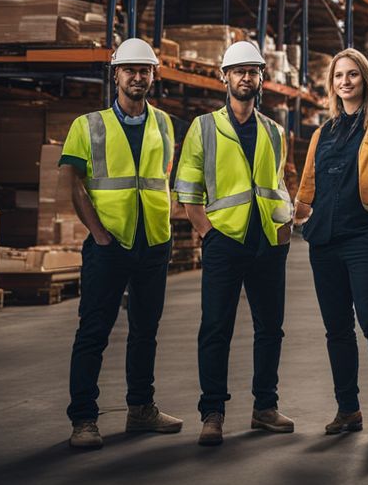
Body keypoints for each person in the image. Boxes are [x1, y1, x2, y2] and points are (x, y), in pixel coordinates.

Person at [61, 38, 182, 449]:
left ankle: (141, 409)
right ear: (116, 75)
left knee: (146, 331)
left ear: (153, 75)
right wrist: (99, 233)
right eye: (129, 69)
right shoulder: (88, 125)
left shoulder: (165, 124)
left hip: (154, 243)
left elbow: (161, 180)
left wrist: (166, 229)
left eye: (144, 70)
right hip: (108, 244)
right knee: (94, 331)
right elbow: (73, 185)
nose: (137, 77)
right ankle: (83, 419)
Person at [175, 40, 295, 446]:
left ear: (261, 78)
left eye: (253, 71)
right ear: (224, 77)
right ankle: (212, 412)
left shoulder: (275, 131)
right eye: (239, 71)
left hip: (267, 242)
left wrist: (283, 230)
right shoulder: (204, 127)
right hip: (224, 240)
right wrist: (208, 233)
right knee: (215, 327)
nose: (247, 77)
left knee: (270, 329)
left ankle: (265, 407)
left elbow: (278, 184)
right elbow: (188, 190)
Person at [294, 48, 368, 446]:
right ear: (333, 84)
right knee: (337, 329)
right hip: (324, 241)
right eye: (339, 76)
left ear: (365, 79)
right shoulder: (323, 133)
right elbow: (307, 185)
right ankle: (348, 410)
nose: (345, 81)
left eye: (352, 74)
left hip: (363, 238)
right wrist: (298, 218)